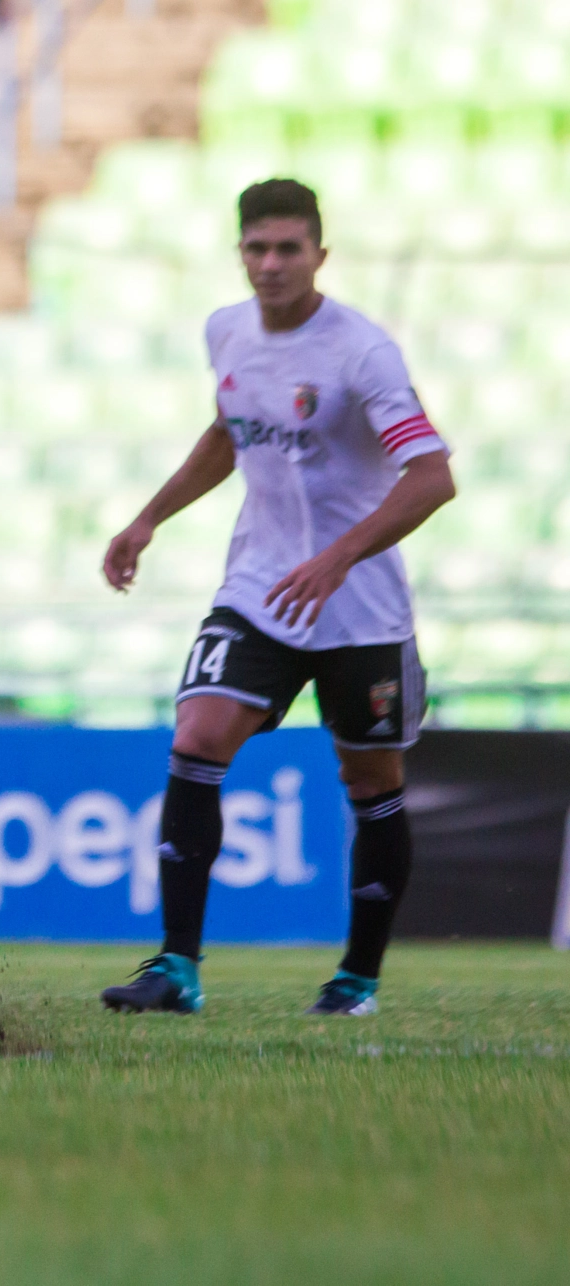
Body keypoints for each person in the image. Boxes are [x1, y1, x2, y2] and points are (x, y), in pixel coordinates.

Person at [99, 179, 455, 1018]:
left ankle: (356, 979)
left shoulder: (361, 352)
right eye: (256, 248)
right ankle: (175, 968)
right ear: (240, 254)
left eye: (288, 248)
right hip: (259, 589)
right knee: (198, 735)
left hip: (358, 603)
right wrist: (148, 518)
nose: (270, 265)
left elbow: (433, 475)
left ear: (319, 256)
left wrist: (338, 558)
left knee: (370, 779)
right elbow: (229, 434)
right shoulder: (226, 331)